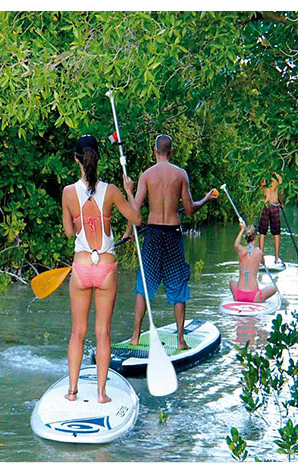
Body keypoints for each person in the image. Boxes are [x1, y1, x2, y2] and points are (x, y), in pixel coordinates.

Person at [61, 135, 140, 404]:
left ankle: (72, 392)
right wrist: (130, 192)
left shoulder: (68, 193)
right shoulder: (113, 190)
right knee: (102, 333)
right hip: (106, 266)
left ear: (76, 160)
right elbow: (137, 219)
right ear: (98, 158)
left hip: (81, 266)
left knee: (77, 333)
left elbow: (69, 231)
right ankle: (101, 394)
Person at [124, 134, 217, 349]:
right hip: (173, 233)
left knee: (144, 285)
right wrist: (205, 199)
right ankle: (181, 341)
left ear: (155, 151)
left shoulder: (147, 175)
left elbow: (135, 208)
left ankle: (135, 337)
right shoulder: (180, 174)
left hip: (153, 233)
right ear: (171, 152)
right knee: (177, 283)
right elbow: (191, 209)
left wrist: (129, 232)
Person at [229, 220, 277, 302]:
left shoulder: (240, 250)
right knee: (274, 288)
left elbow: (236, 244)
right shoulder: (259, 252)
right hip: (254, 296)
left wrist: (242, 229)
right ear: (255, 237)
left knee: (231, 281)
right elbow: (263, 262)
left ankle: (238, 296)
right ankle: (260, 299)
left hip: (239, 295)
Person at [257, 172, 284, 264]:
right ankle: (276, 258)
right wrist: (282, 203)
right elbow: (281, 192)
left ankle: (261, 257)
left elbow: (260, 189)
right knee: (276, 233)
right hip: (274, 205)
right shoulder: (278, 177)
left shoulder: (263, 177)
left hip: (265, 205)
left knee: (262, 232)